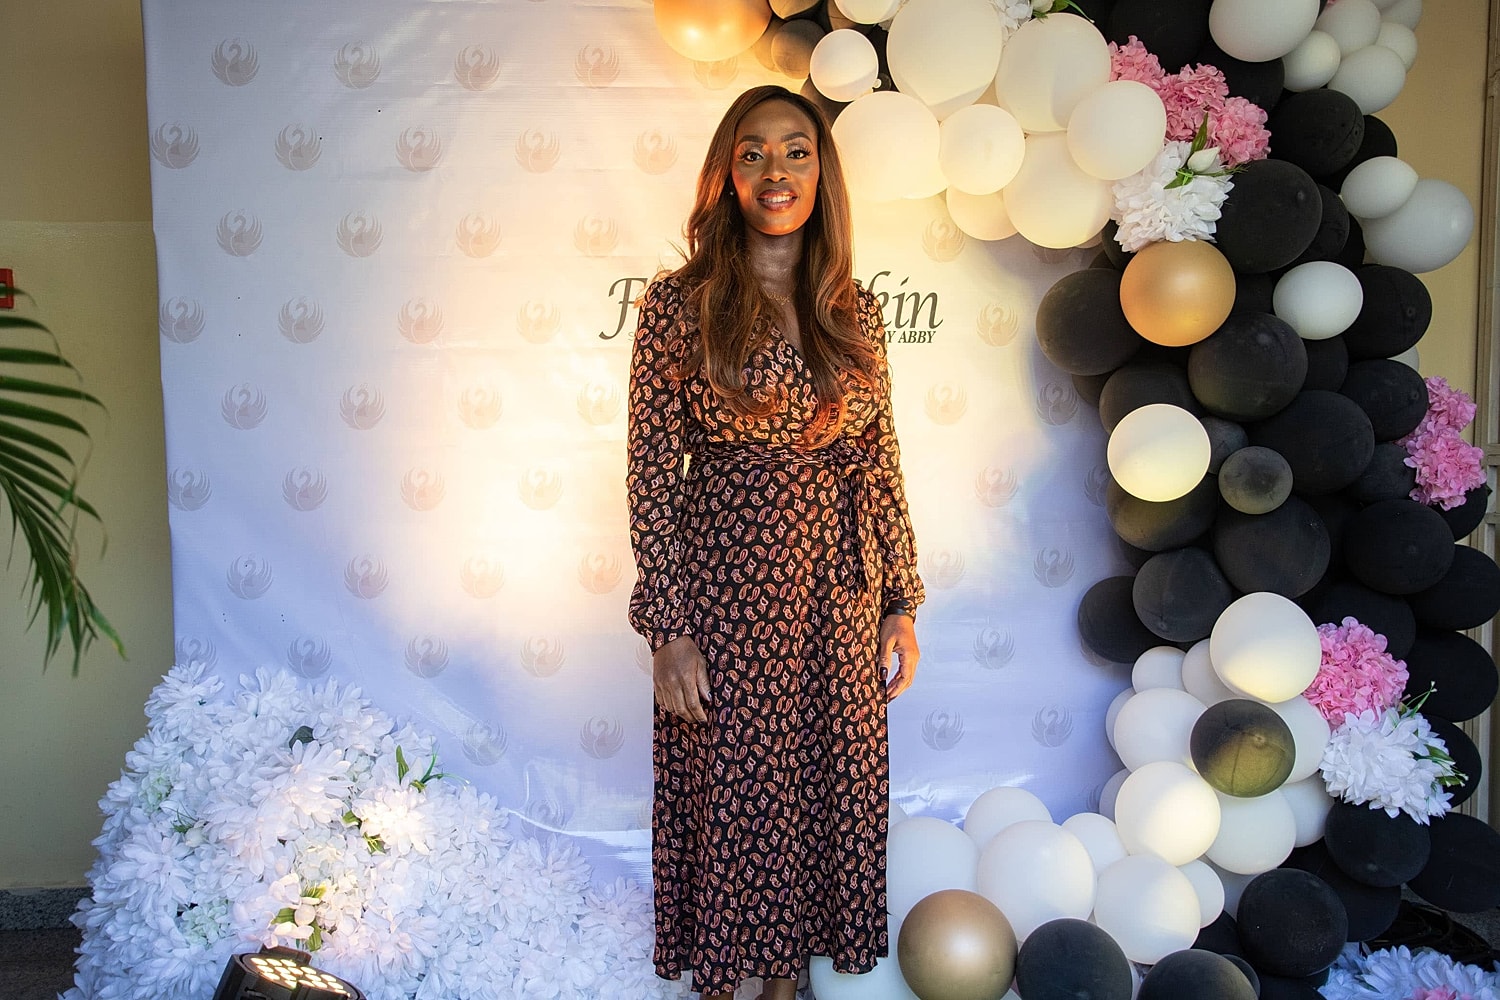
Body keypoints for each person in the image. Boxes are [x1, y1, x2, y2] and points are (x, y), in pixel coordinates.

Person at [625, 84, 924, 1000]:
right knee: (734, 808)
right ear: (727, 173)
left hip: (839, 594)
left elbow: (879, 460)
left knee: (815, 802)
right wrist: (668, 627)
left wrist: (901, 602)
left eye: (795, 150)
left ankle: (787, 990)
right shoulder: (680, 304)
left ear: (821, 172)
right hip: (727, 592)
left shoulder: (855, 309)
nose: (775, 170)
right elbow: (647, 473)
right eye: (752, 152)